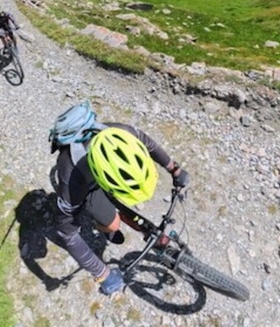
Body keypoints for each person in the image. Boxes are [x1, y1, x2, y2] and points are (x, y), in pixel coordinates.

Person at [48, 101, 189, 296]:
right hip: (86, 182)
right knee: (112, 224)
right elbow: (67, 233)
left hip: (98, 169)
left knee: (119, 205)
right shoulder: (72, 175)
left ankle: (113, 210)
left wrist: (174, 168)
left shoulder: (122, 133)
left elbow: (147, 143)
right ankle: (104, 225)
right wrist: (103, 274)